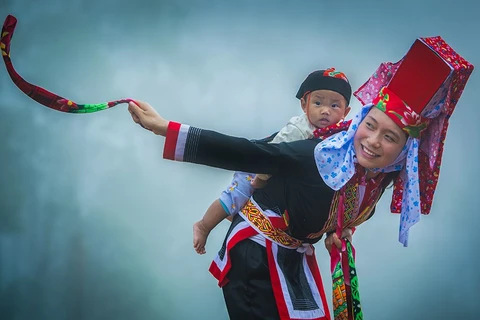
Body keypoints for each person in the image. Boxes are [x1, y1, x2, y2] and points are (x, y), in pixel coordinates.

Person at [127, 37, 473, 320]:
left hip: (293, 256)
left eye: (390, 137)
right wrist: (164, 128)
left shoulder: (381, 174)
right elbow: (249, 152)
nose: (373, 141)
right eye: (370, 126)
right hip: (256, 253)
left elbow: (342, 206)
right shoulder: (318, 155)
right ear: (359, 122)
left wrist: (339, 229)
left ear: (404, 153)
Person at [193, 68, 353, 255]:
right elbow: (269, 156)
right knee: (235, 196)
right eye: (318, 103)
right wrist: (259, 180)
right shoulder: (299, 129)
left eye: (335, 106)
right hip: (259, 166)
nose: (325, 111)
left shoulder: (339, 139)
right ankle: (204, 225)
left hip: (283, 178)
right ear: (304, 104)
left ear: (346, 111)